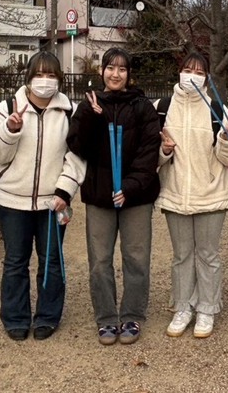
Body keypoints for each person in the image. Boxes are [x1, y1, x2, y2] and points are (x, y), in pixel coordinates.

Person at [0, 51, 85, 342]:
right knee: (15, 260)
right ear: (28, 78)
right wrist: (10, 131)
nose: (45, 81)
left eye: (51, 75)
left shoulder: (70, 111)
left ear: (60, 80)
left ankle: (48, 316)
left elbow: (77, 155)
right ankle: (15, 317)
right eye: (39, 74)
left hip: (54, 201)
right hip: (13, 199)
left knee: (52, 260)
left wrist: (65, 188)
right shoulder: (8, 107)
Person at [67, 48, 161, 345]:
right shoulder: (89, 105)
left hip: (136, 196)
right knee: (99, 260)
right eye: (110, 68)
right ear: (102, 72)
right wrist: (94, 120)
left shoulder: (142, 107)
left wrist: (130, 187)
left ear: (129, 74)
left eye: (122, 69)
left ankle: (132, 314)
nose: (116, 74)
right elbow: (78, 147)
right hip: (99, 194)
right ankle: (106, 317)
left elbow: (149, 154)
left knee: (136, 257)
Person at [156, 53, 228, 339]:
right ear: (178, 72)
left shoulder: (219, 109)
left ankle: (207, 308)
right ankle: (183, 307)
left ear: (207, 77)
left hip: (211, 192)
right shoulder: (162, 108)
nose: (193, 74)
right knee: (182, 256)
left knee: (208, 255)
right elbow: (151, 156)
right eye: (188, 69)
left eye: (199, 70)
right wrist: (164, 151)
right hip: (176, 192)